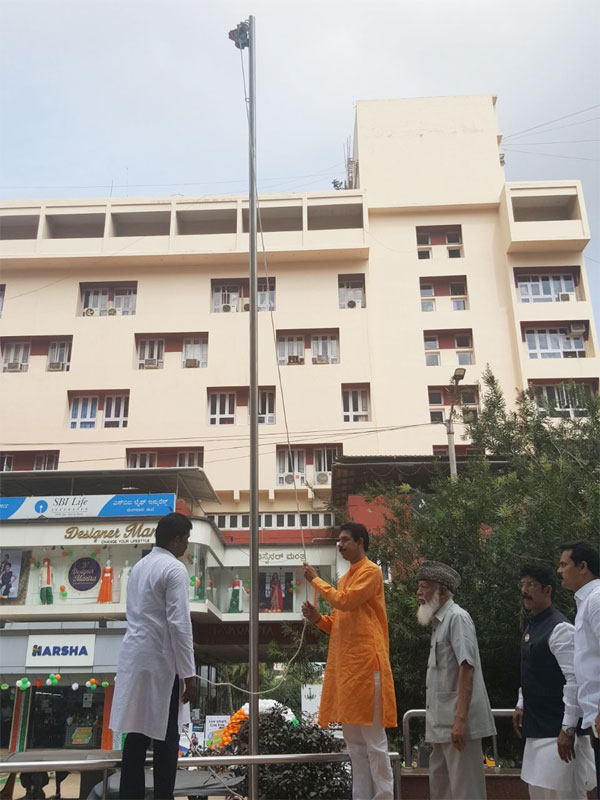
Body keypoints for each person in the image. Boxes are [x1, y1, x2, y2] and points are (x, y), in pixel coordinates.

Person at [302, 521, 396, 800]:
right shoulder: (345, 578)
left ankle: (384, 796)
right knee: (354, 745)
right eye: (339, 541)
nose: (340, 545)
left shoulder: (371, 572)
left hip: (367, 667)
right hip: (347, 671)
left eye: (345, 540)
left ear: (361, 542)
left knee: (375, 743)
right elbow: (339, 622)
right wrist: (317, 619)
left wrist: (315, 580)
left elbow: (345, 602)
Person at [110, 512, 196, 800]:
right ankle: (163, 796)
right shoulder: (174, 569)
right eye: (186, 539)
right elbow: (179, 624)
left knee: (134, 735)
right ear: (175, 539)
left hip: (133, 657)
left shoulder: (140, 566)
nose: (187, 545)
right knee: (166, 738)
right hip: (160, 662)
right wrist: (189, 674)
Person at [513, 563, 595, 799]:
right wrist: (521, 702)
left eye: (531, 585)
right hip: (537, 732)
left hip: (558, 736)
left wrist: (567, 729)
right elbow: (533, 669)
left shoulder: (560, 629)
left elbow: (574, 680)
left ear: (547, 590)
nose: (524, 591)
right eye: (522, 585)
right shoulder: (533, 625)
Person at [416, 560, 495, 800]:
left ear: (441, 591)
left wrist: (460, 721)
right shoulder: (439, 623)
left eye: (424, 587)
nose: (419, 593)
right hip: (441, 727)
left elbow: (466, 668)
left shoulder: (457, 618)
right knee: (441, 792)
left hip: (459, 727)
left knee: (465, 793)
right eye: (419, 587)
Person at [557, 541, 600, 792]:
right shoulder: (586, 602)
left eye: (564, 564)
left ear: (582, 566)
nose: (559, 570)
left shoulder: (596, 601)